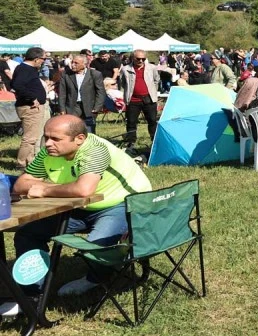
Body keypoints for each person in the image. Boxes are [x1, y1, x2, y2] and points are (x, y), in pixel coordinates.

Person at [2, 115, 153, 317]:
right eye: (46, 137)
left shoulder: (95, 150)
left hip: (122, 203)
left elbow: (83, 189)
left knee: (95, 246)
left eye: (55, 139)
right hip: (79, 205)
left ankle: (95, 279)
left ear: (79, 139)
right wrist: (61, 188)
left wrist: (44, 190)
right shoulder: (49, 152)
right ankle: (32, 293)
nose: (48, 143)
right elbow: (21, 185)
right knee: (28, 233)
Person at [12, 47, 49, 168]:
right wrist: (32, 98)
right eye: (43, 58)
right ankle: (21, 163)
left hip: (31, 106)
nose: (44, 61)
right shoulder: (25, 69)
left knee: (33, 136)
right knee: (30, 138)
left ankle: (31, 161)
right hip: (30, 107)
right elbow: (17, 85)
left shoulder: (27, 69)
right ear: (36, 59)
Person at [118, 49, 162, 147]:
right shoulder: (125, 69)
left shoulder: (152, 68)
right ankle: (131, 142)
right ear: (133, 58)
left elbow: (156, 80)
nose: (141, 61)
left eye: (143, 58)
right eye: (138, 59)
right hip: (133, 100)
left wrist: (152, 92)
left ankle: (155, 141)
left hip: (149, 99)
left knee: (152, 121)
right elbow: (123, 83)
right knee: (131, 122)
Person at [58, 53, 106, 134]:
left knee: (89, 132)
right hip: (72, 106)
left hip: (89, 107)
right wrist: (62, 109)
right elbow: (62, 93)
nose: (73, 65)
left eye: (76, 63)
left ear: (85, 65)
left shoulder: (95, 74)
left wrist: (97, 107)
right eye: (72, 62)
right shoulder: (66, 74)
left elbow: (100, 92)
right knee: (72, 131)